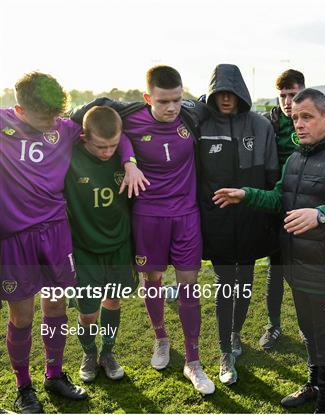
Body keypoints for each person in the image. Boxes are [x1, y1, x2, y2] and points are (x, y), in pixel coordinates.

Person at [213, 88, 325, 413]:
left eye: (307, 117)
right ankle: (315, 385)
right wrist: (247, 194)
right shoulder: (296, 159)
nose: (299, 124)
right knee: (310, 335)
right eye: (295, 117)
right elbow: (279, 199)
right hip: (297, 269)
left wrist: (322, 215)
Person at [0, 72, 143, 413]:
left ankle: (54, 374)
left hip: (55, 234)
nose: (51, 123)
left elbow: (113, 129)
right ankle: (24, 387)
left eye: (55, 115)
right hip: (14, 240)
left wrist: (129, 159)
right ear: (20, 110)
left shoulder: (64, 128)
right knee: (21, 316)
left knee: (56, 307)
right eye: (42, 117)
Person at [70, 65, 215, 395]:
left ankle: (193, 361)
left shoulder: (191, 116)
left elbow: (222, 100)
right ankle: (161, 339)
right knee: (152, 281)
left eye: (177, 100)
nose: (172, 108)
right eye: (164, 101)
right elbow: (100, 125)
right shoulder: (131, 117)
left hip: (186, 216)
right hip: (148, 217)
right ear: (148, 97)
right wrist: (129, 160)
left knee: (189, 288)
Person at [196, 63, 279, 385]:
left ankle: (234, 334)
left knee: (244, 282)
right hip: (215, 220)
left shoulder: (260, 125)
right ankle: (224, 353)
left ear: (241, 93)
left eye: (232, 93)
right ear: (213, 93)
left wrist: (269, 220)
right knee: (224, 284)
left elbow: (271, 173)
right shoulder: (201, 125)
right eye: (220, 93)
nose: (226, 99)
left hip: (250, 219)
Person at [64, 106, 138, 383]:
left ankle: (107, 352)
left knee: (113, 301)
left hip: (119, 246)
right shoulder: (69, 157)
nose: (107, 152)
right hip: (84, 249)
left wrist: (128, 159)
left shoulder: (124, 156)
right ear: (84, 137)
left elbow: (124, 145)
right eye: (100, 146)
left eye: (113, 145)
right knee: (88, 312)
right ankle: (88, 353)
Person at [258, 69, 305, 351]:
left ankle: (304, 325)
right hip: (277, 207)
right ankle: (273, 325)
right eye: (283, 95)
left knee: (303, 271)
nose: (288, 101)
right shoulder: (269, 123)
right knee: (275, 270)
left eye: (293, 94)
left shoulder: (311, 118)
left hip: (307, 208)